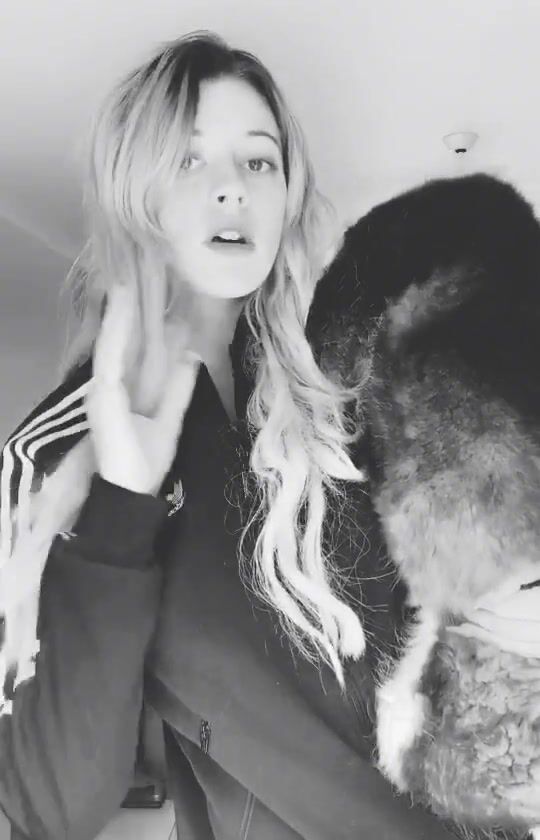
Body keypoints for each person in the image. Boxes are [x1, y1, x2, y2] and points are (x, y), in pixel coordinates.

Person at [0, 30, 534, 840]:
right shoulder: (51, 454)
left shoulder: (338, 391)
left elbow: (426, 633)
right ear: (132, 191)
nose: (232, 190)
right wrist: (122, 502)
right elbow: (50, 804)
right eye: (188, 159)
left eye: (258, 160)